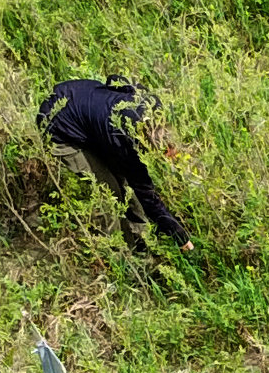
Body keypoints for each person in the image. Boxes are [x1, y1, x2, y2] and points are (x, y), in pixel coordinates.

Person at [36, 78, 193, 250]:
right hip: (57, 125)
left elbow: (115, 80)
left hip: (78, 94)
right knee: (110, 192)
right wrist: (179, 235)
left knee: (126, 185)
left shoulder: (151, 103)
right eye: (167, 156)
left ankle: (143, 239)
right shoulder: (123, 143)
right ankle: (123, 252)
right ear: (148, 147)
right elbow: (146, 194)